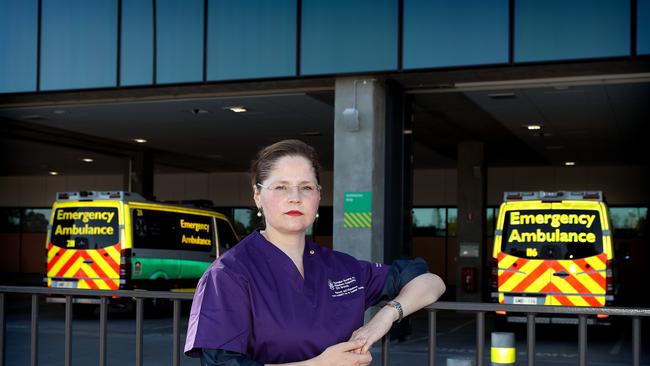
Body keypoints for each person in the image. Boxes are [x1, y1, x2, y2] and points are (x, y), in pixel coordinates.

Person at [185, 139, 445, 366]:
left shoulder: (342, 268)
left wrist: (383, 318)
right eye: (281, 187)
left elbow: (430, 282)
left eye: (306, 187)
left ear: (319, 196)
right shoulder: (229, 274)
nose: (295, 197)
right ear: (257, 196)